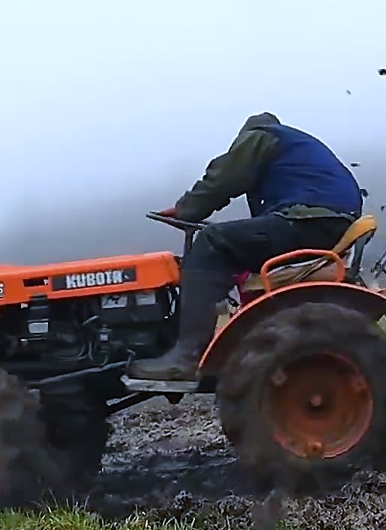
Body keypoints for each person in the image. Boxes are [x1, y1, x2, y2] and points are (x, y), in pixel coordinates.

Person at [128, 112, 364, 381]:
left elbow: (226, 177)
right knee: (226, 241)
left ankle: (187, 355)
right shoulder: (294, 150)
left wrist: (187, 209)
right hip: (321, 221)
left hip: (311, 220)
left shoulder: (261, 137)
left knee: (212, 241)